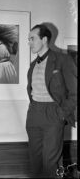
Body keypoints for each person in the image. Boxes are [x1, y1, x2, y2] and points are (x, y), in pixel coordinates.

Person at [26, 24, 77, 178]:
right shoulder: (32, 65)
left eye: (32, 39)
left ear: (44, 39)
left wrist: (61, 113)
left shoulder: (63, 60)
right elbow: (31, 90)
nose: (29, 42)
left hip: (53, 114)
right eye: (28, 39)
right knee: (35, 161)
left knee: (50, 162)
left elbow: (74, 91)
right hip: (34, 114)